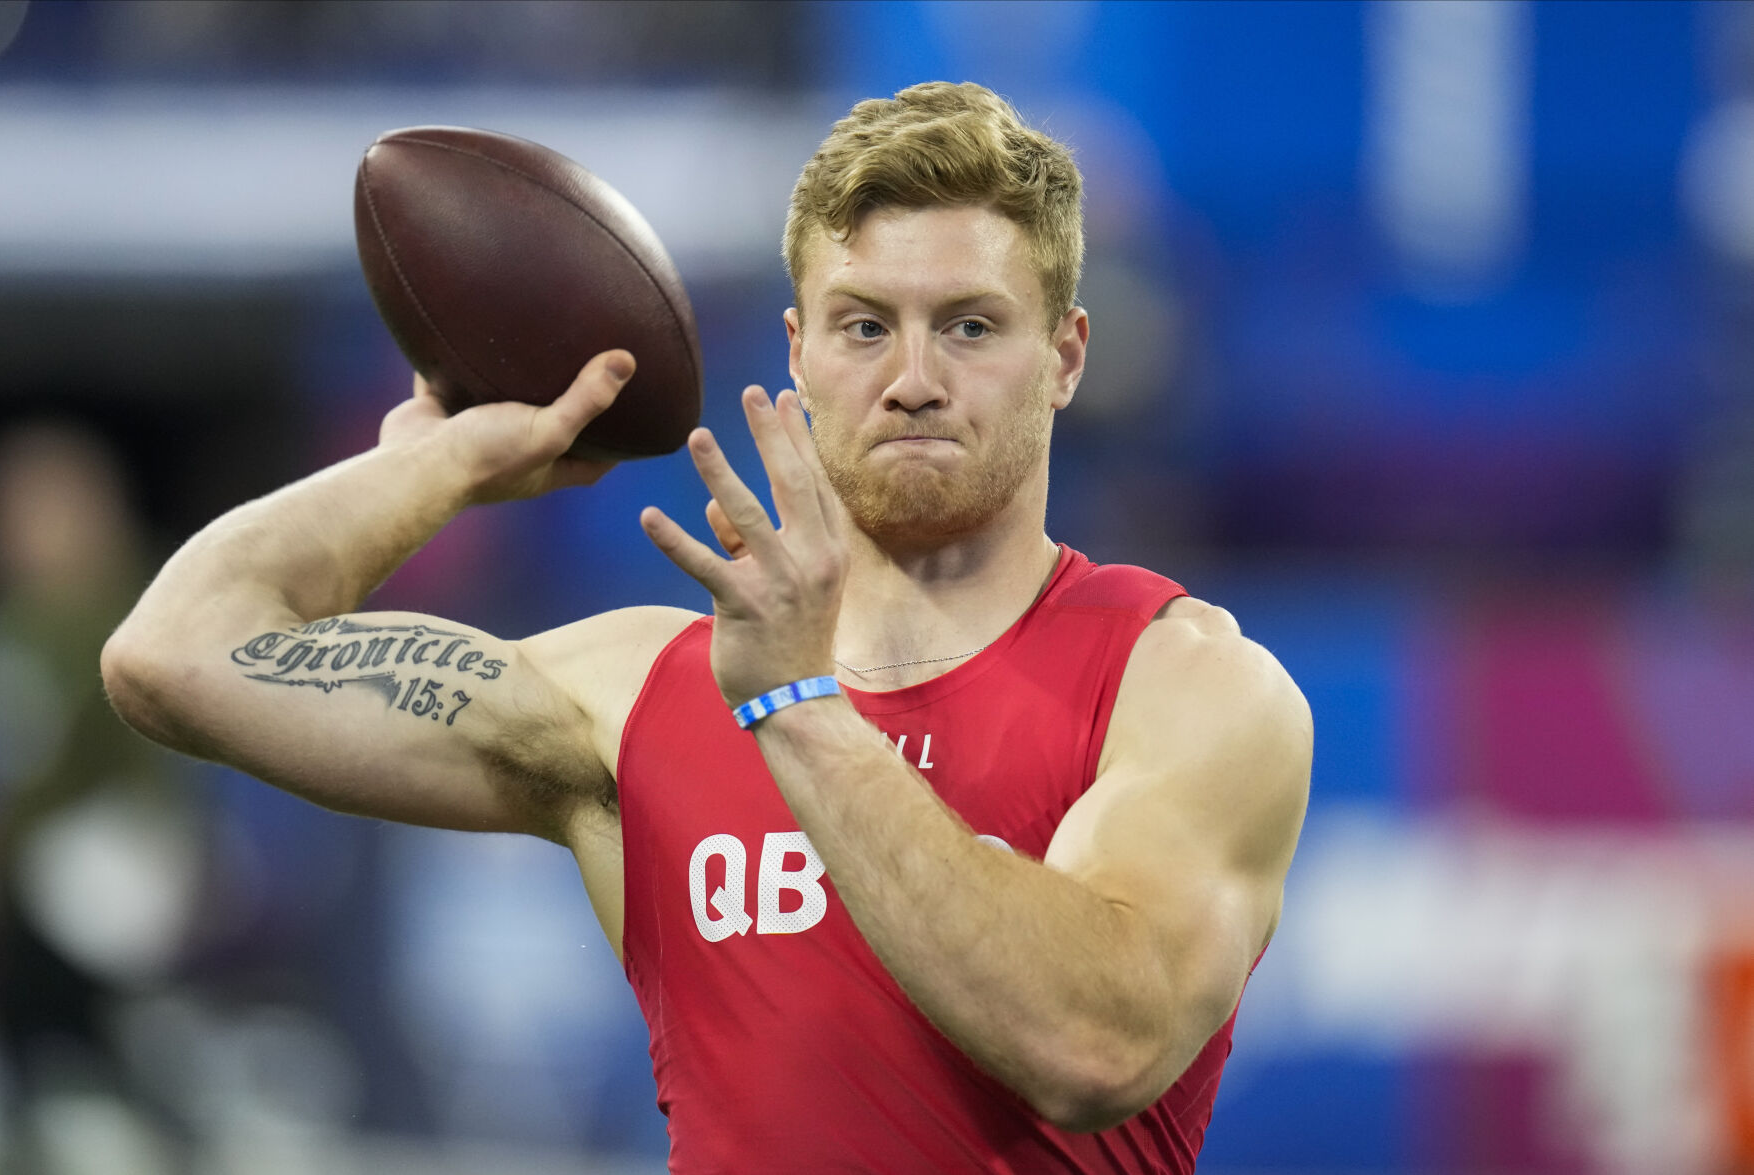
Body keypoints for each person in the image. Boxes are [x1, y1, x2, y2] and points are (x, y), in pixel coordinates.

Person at [102, 82, 1311, 1172]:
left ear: (1065, 356)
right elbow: (174, 656)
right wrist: (436, 468)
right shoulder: (636, 694)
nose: (912, 377)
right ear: (795, 351)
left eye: (970, 325)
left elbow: (1091, 1048)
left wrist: (796, 703)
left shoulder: (1180, 683)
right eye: (861, 324)